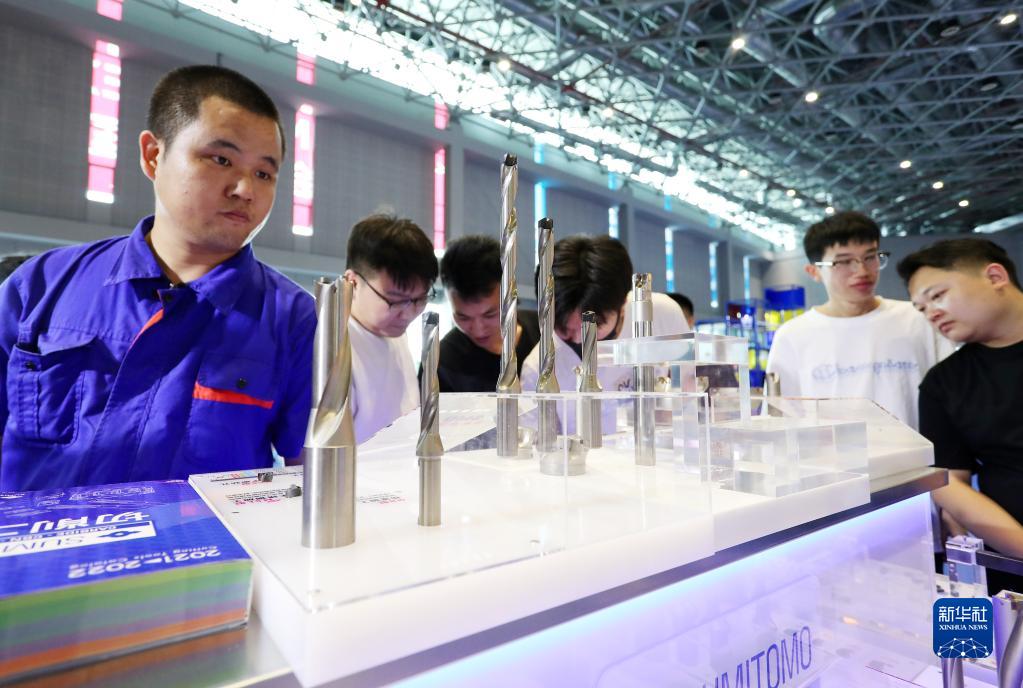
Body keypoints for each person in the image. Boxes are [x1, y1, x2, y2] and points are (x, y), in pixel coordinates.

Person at [0, 65, 315, 490]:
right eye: (221, 159)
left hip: (208, 538)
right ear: (153, 155)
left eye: (264, 173)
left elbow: (306, 476)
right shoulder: (40, 288)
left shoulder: (293, 320)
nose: (246, 189)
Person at [898, 238, 1023, 594]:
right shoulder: (943, 383)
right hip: (1008, 569)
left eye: (937, 296)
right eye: (921, 308)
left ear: (995, 277)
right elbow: (950, 482)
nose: (931, 313)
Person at [765, 211, 951, 429]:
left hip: (922, 450)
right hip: (831, 452)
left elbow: (952, 393)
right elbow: (780, 418)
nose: (862, 271)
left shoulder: (917, 318)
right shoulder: (793, 336)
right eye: (844, 262)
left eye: (870, 257)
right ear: (814, 271)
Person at [521, 235, 688, 428]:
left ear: (622, 305)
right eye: (563, 328)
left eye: (593, 327)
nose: (579, 339)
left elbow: (690, 387)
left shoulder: (659, 313)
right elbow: (540, 441)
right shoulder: (537, 369)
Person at [344, 215, 438, 443]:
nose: (408, 314)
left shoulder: (393, 332)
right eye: (395, 301)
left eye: (419, 299)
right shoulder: (334, 347)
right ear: (353, 282)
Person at [435, 235, 540, 392]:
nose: (478, 329)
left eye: (490, 315)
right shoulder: (442, 363)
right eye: (463, 317)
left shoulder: (545, 334)